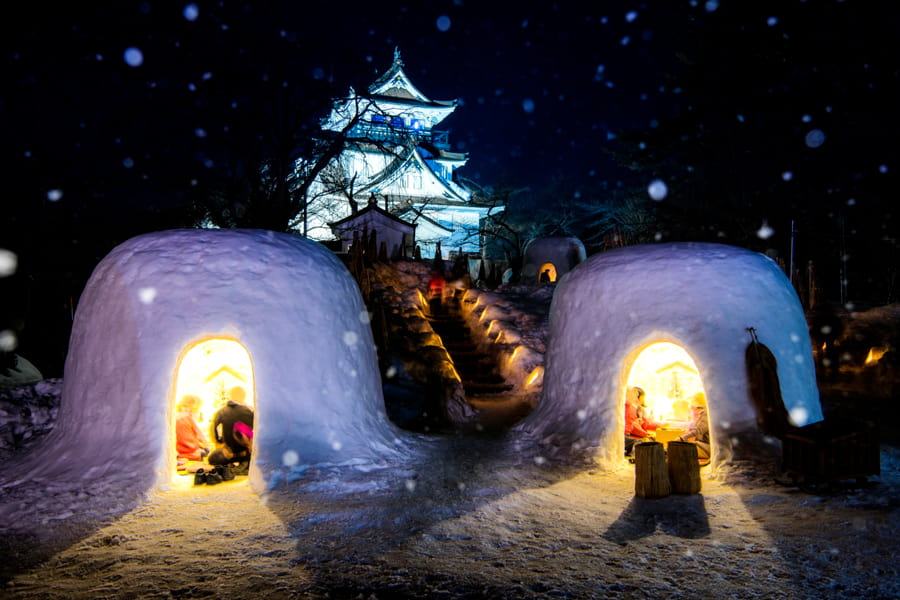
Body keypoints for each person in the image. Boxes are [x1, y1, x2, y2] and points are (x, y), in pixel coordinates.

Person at [208, 387, 254, 474]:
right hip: (248, 453)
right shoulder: (249, 410)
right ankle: (245, 464)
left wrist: (221, 443)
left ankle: (230, 466)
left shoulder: (221, 412)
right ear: (243, 396)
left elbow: (216, 434)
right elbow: (256, 431)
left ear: (231, 396)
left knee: (212, 458)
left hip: (228, 454)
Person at [175, 394, 209, 463]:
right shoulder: (188, 417)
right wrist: (206, 445)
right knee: (207, 450)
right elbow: (201, 438)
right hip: (191, 452)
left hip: (178, 451)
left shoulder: (174, 416)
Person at [678, 392, 711, 463]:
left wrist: (682, 438)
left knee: (679, 450)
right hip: (704, 445)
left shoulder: (706, 413)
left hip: (706, 448)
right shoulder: (703, 412)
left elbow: (698, 430)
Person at [624, 386, 653, 457]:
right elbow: (634, 426)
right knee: (641, 444)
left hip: (627, 434)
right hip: (624, 434)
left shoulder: (632, 408)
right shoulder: (628, 408)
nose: (635, 397)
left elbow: (635, 425)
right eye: (634, 395)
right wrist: (646, 435)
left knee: (643, 443)